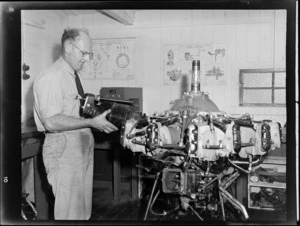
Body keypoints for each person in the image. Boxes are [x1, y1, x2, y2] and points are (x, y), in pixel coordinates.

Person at [33, 28, 118, 220]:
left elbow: (71, 110)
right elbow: (52, 121)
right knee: (70, 213)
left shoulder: (71, 75)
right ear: (69, 47)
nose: (87, 59)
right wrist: (90, 122)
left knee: (81, 211)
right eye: (84, 53)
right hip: (64, 147)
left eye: (89, 54)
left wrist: (95, 115)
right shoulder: (52, 76)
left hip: (79, 144)